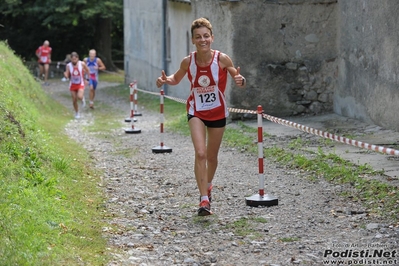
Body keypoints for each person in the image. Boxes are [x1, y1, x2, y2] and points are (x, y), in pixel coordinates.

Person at [156, 17, 246, 216]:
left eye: (206, 36)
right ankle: (203, 199)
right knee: (201, 153)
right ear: (193, 40)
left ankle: (209, 184)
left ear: (212, 38)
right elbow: (176, 78)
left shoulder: (222, 59)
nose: (202, 40)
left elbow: (236, 76)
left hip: (217, 112)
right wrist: (165, 80)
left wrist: (240, 79)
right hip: (196, 110)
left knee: (212, 157)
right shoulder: (188, 61)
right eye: (198, 37)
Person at [64, 52, 90, 119]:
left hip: (80, 83)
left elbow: (87, 70)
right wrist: (65, 75)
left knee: (79, 96)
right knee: (74, 100)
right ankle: (77, 112)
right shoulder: (68, 65)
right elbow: (67, 74)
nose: (74, 61)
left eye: (75, 59)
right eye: (72, 59)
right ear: (71, 59)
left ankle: (82, 99)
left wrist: (87, 79)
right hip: (72, 84)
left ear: (77, 58)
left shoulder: (82, 64)